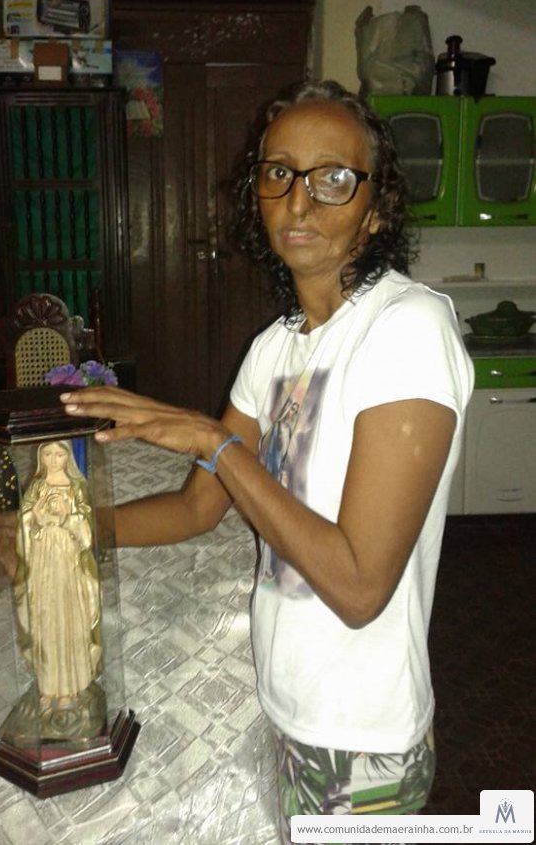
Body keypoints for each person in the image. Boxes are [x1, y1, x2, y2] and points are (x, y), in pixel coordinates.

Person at [55, 80, 474, 837]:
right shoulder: (274, 348)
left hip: (360, 736)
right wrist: (65, 533)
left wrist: (214, 441)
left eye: (332, 178)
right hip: (287, 704)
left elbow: (359, 587)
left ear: (376, 209)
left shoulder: (408, 329)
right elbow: (196, 507)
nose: (300, 201)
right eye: (279, 173)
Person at [14, 440, 102, 709]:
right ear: (40, 456)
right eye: (48, 454)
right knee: (46, 620)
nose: (53, 460)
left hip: (69, 564)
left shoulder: (76, 487)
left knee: (68, 619)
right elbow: (23, 526)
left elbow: (87, 531)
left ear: (68, 456)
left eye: (59, 454)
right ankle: (49, 684)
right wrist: (34, 520)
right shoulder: (36, 487)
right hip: (43, 562)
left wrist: (67, 518)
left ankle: (71, 686)